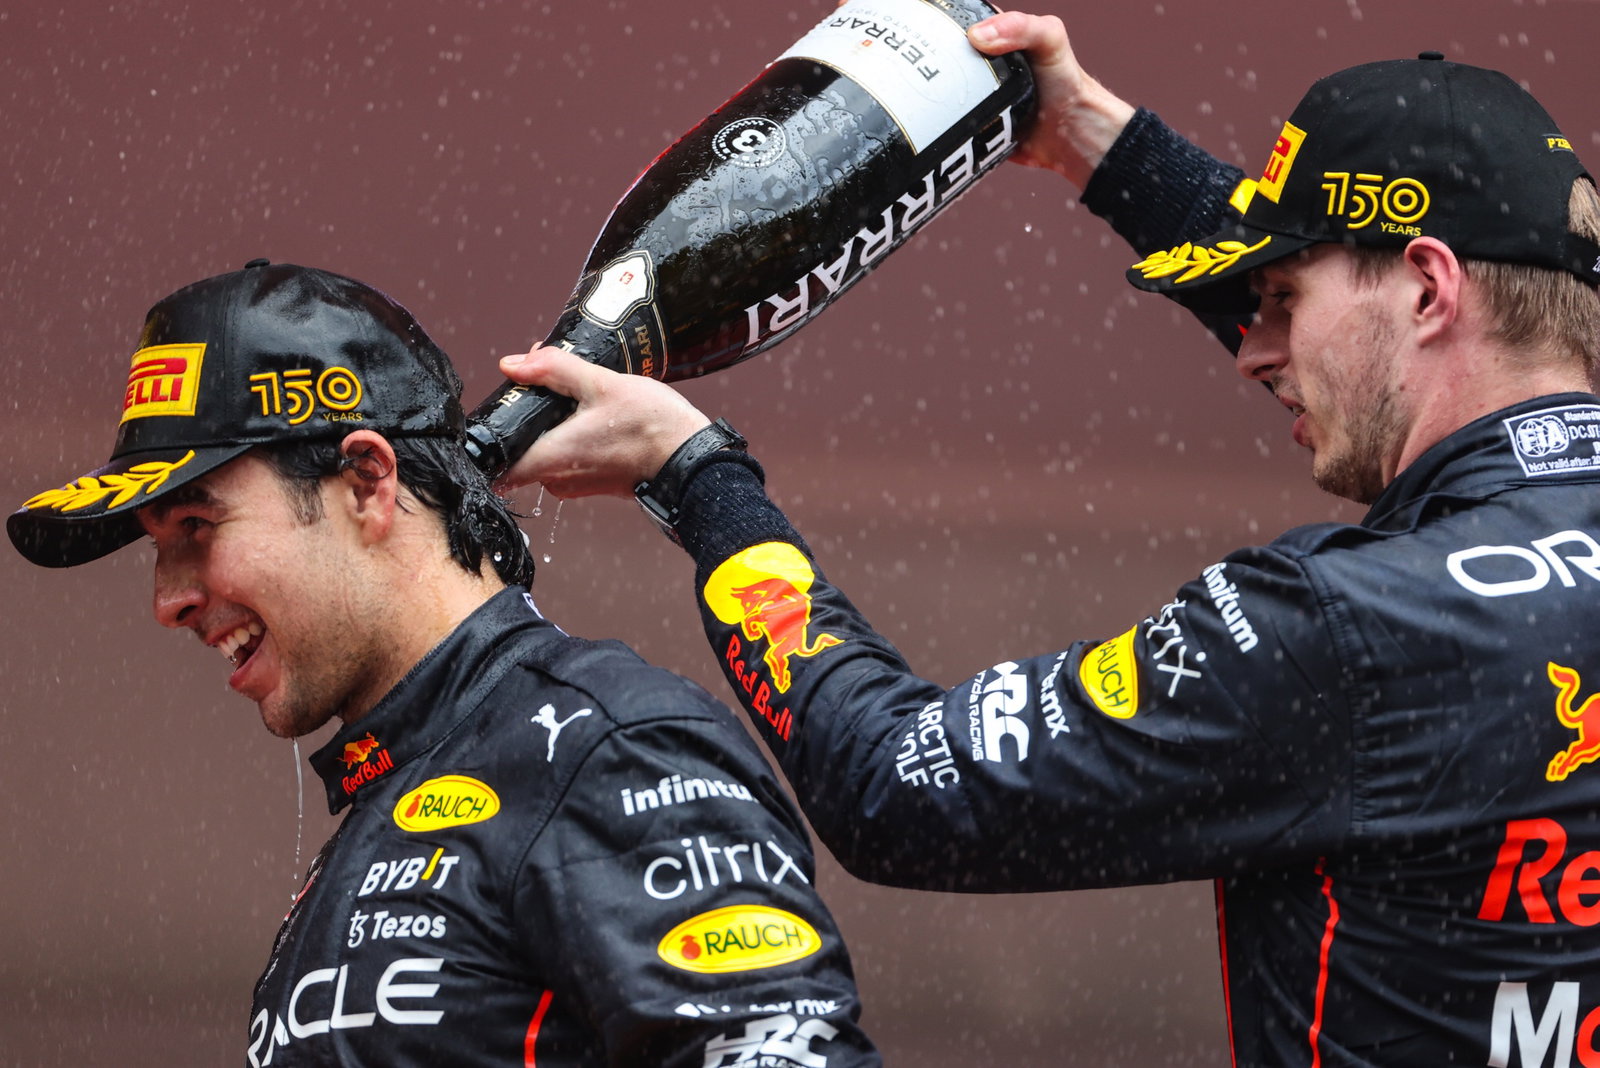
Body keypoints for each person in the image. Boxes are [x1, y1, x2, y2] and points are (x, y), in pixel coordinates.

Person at [492, 11, 1600, 1068]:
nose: (1250, 352)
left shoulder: (1345, 629)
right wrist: (1089, 143)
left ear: (1427, 286)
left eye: (1278, 298)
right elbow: (1388, 349)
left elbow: (900, 788)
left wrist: (699, 482)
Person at [6, 260, 880, 1067]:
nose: (169, 599)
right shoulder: (401, 786)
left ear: (366, 484)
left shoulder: (603, 749)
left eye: (197, 527)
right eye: (158, 548)